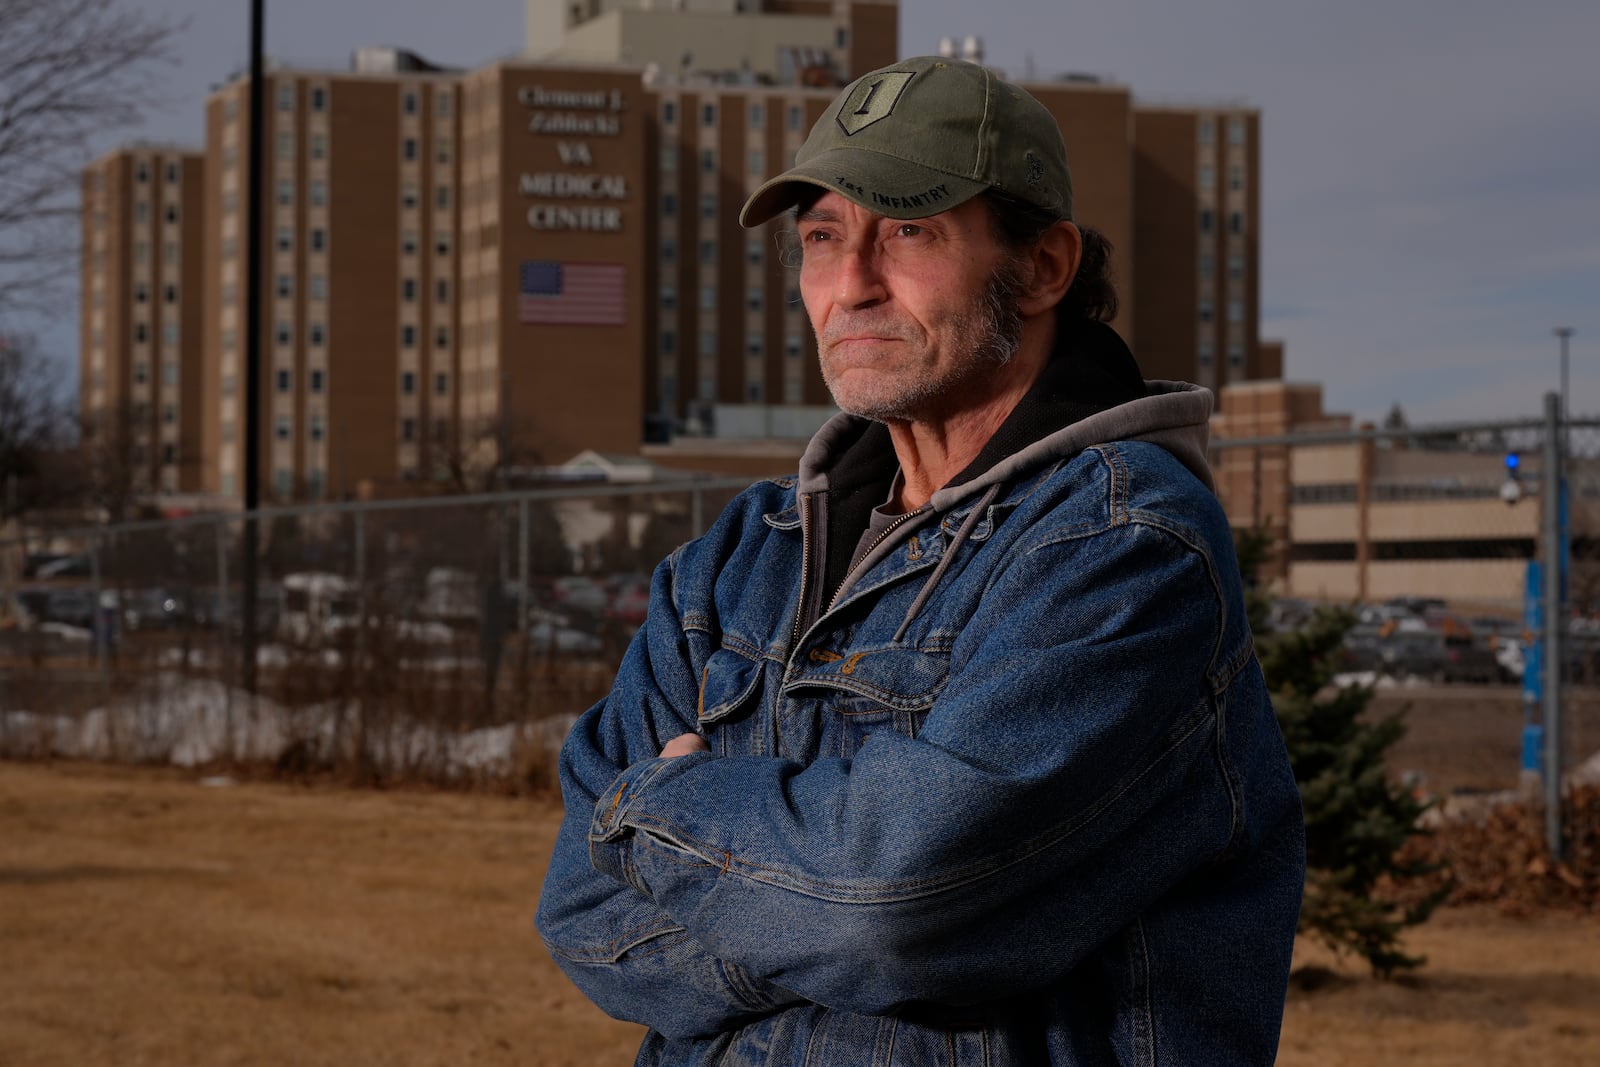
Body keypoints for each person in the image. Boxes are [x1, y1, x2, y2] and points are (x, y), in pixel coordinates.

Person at [537, 55, 1305, 1066]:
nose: (850, 283)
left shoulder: (1123, 544)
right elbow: (580, 912)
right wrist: (811, 893)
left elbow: (897, 906)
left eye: (908, 230)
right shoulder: (736, 560)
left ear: (1042, 267)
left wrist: (654, 813)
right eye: (822, 236)